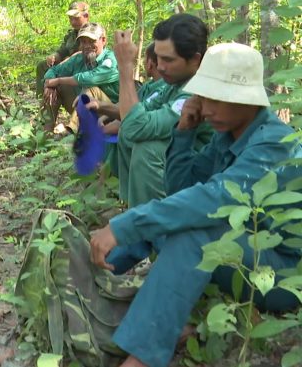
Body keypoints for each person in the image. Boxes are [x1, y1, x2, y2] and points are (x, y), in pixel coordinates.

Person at [90, 43, 302, 367]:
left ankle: (141, 358)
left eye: (217, 98)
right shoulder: (229, 133)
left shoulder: (272, 142)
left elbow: (211, 200)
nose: (207, 107)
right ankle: (96, 281)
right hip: (247, 253)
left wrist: (123, 225)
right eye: (204, 96)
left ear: (248, 98)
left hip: (283, 272)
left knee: (195, 235)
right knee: (172, 218)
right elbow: (182, 191)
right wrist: (184, 133)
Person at [91, 14, 213, 206]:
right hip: (182, 170)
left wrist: (125, 67)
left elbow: (134, 126)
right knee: (129, 135)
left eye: (168, 60)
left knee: (148, 149)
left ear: (195, 60)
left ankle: (155, 224)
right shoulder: (174, 84)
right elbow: (138, 112)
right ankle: (134, 210)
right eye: (158, 58)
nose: (160, 67)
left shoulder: (197, 92)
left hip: (208, 178)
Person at [43, 22, 119, 132]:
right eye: (83, 42)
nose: (87, 45)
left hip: (111, 112)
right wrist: (49, 86)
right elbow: (53, 70)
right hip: (83, 108)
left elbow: (90, 78)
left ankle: (72, 132)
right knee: (54, 89)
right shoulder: (78, 58)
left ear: (103, 40)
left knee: (91, 90)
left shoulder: (111, 59)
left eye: (92, 41)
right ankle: (46, 132)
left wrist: (58, 80)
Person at [36, 1, 90, 96]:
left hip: (81, 69)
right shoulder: (72, 34)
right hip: (67, 64)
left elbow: (84, 55)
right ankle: (43, 100)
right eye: (70, 19)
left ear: (86, 16)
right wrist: (54, 56)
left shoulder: (91, 33)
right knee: (42, 66)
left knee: (58, 77)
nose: (73, 22)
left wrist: (67, 60)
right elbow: (63, 50)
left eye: (76, 18)